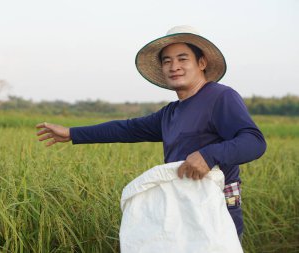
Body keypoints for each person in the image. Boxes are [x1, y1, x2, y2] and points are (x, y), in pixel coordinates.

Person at [36, 25, 266, 240]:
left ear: (202, 62)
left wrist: (209, 155)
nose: (173, 66)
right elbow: (128, 129)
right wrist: (72, 133)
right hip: (183, 202)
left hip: (217, 206)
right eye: (167, 61)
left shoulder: (220, 97)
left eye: (182, 59)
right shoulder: (171, 113)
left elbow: (254, 141)